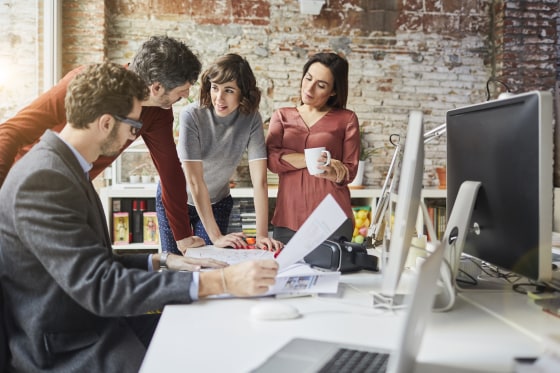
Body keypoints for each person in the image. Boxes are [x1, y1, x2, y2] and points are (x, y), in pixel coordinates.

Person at [0, 62, 278, 373]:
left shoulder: (64, 166)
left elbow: (92, 263)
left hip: (89, 323)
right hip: (68, 346)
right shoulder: (43, 179)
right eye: (133, 126)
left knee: (207, 326)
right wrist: (221, 281)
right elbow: (101, 286)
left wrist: (163, 260)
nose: (134, 136)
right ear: (106, 123)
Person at [0, 35, 205, 252]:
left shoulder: (159, 112)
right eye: (182, 91)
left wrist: (183, 236)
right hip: (23, 183)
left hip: (74, 186)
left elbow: (170, 169)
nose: (187, 95)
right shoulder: (89, 83)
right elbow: (10, 132)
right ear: (156, 88)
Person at [157, 53, 284, 254]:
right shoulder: (192, 115)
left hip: (217, 202)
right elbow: (195, 181)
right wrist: (216, 236)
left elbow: (259, 181)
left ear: (243, 93)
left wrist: (261, 235)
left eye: (229, 90)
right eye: (215, 88)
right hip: (176, 200)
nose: (219, 98)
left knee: (210, 264)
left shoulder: (251, 119)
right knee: (174, 264)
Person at [266, 52, 360, 244]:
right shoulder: (282, 116)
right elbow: (272, 160)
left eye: (321, 85)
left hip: (332, 218)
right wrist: (312, 159)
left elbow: (350, 170)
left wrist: (336, 172)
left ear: (333, 91)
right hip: (288, 218)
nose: (309, 88)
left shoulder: (347, 119)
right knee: (285, 273)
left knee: (334, 274)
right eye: (308, 78)